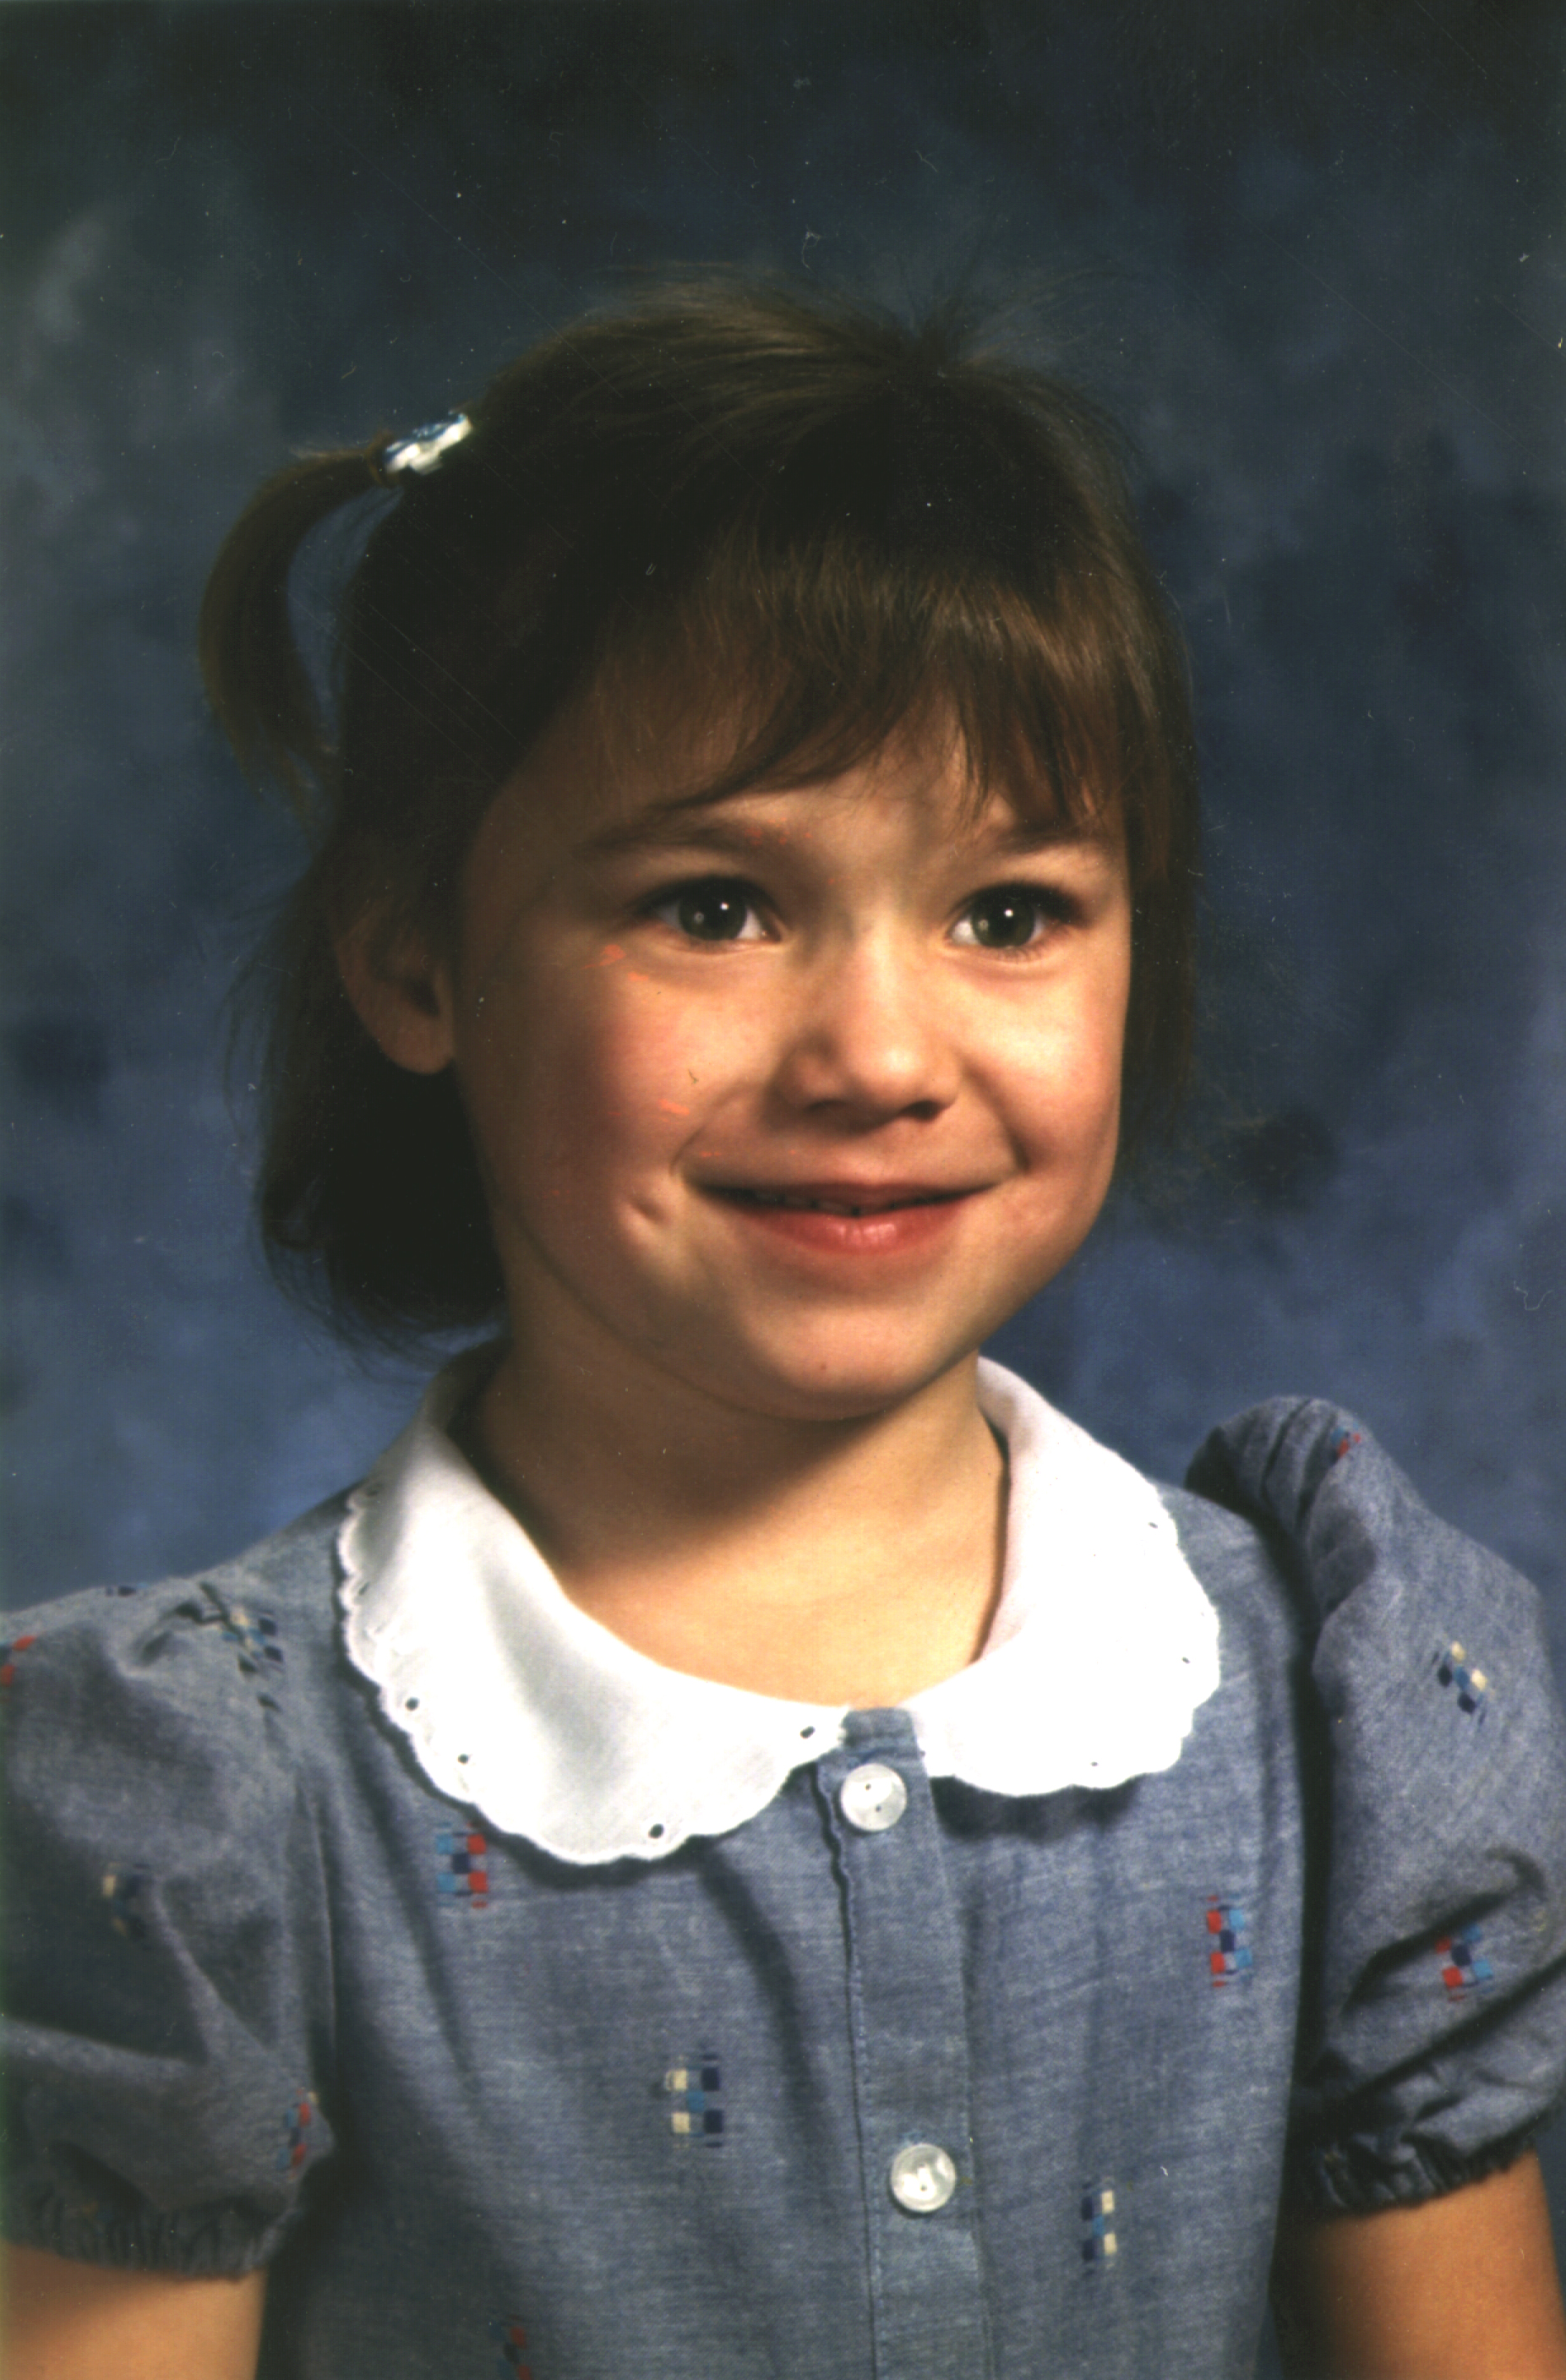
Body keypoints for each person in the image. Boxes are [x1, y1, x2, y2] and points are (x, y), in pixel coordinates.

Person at [6, 276, 1566, 2380]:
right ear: (415, 959)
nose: (878, 1056)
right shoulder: (211, 1802)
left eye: (1008, 912)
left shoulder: (1326, 1707)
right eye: (717, 905)